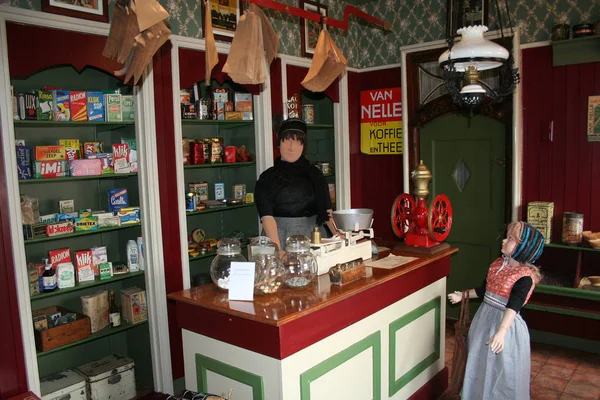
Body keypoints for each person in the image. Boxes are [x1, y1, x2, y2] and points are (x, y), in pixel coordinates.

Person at [447, 221, 545, 400]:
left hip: (505, 324)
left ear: (523, 247)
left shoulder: (525, 277)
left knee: (504, 368)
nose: (503, 241)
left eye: (510, 239)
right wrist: (463, 295)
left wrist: (501, 331)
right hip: (483, 320)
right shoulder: (497, 265)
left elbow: (513, 305)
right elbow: (484, 290)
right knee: (479, 361)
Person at [255, 118, 338, 251]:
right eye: (286, 140)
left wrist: (337, 235)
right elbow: (267, 217)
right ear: (278, 144)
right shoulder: (267, 178)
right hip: (277, 237)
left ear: (303, 146)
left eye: (298, 142)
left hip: (313, 237)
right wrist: (278, 250)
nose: (292, 147)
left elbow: (327, 211)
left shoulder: (315, 174)